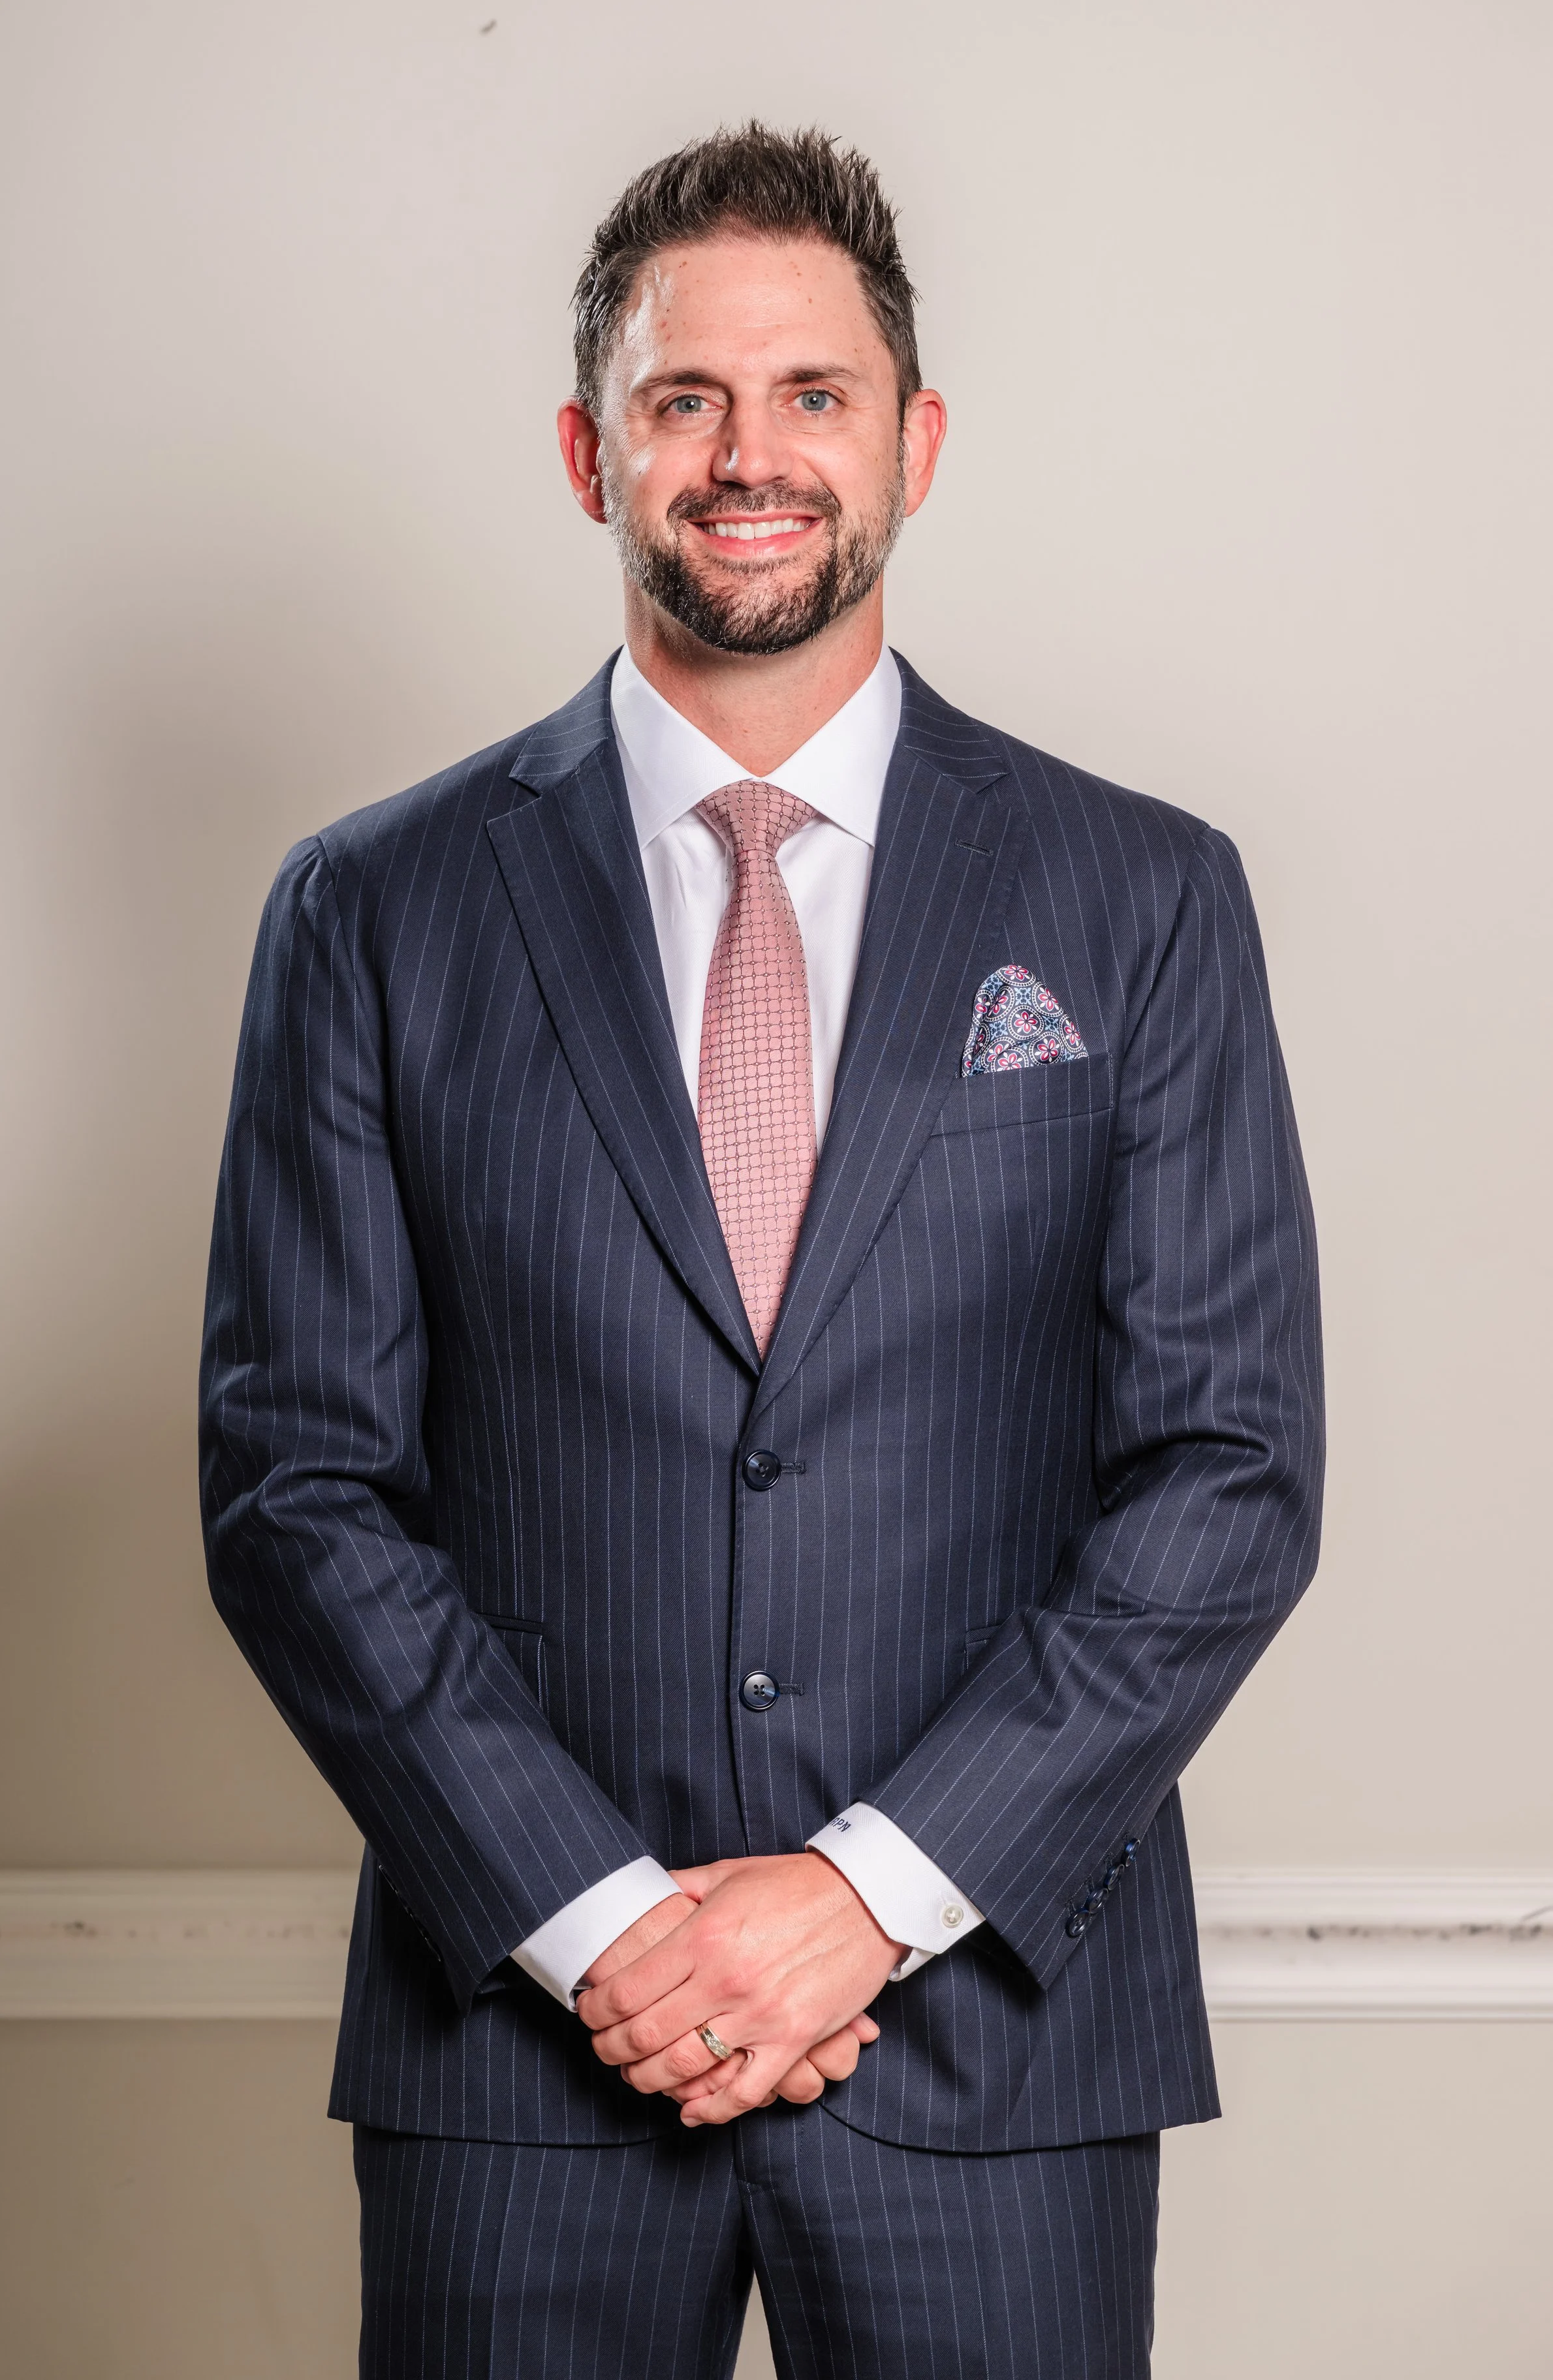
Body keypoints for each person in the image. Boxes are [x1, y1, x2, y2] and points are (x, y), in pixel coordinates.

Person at [200, 123, 1324, 2378]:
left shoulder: (1141, 896)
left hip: (995, 2036)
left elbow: (1228, 1475)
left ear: (911, 442)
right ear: (584, 450)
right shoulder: (374, 908)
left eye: (811, 394)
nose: (750, 455)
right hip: (519, 2046)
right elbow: (296, 1486)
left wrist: (860, 1900)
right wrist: (602, 1922)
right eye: (683, 397)